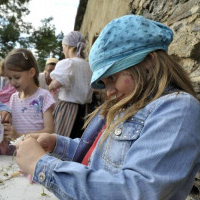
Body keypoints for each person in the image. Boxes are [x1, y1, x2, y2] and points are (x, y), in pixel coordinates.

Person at [15, 15, 200, 200]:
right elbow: (101, 156)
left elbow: (136, 192)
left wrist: (41, 165)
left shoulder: (178, 109)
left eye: (112, 78)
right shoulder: (128, 105)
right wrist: (57, 143)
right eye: (104, 83)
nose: (109, 92)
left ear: (149, 61)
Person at [2, 48, 55, 141]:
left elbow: (49, 130)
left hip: (37, 151)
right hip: (16, 152)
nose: (13, 82)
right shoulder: (13, 98)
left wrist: (20, 136)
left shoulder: (44, 96)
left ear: (31, 73)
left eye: (17, 77)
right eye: (10, 78)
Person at [49, 31, 93, 138]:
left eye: (63, 47)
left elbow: (55, 84)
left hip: (68, 111)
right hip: (86, 110)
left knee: (62, 139)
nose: (63, 50)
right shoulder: (88, 65)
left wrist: (50, 85)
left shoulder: (68, 63)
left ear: (68, 47)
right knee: (79, 140)